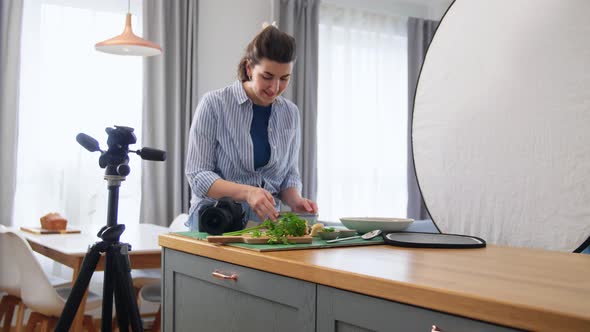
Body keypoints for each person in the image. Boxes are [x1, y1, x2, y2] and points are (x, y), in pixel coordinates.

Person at [185, 24, 318, 231]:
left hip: (266, 227)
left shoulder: (290, 113)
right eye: (267, 76)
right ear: (249, 68)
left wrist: (296, 200)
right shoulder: (214, 104)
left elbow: (289, 175)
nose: (275, 88)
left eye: (284, 79)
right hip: (216, 222)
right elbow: (199, 175)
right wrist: (248, 193)